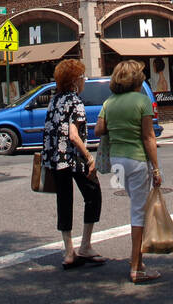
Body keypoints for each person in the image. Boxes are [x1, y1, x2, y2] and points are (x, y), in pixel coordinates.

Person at [96, 60, 162, 284]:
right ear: (136, 79)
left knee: (136, 206)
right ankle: (136, 268)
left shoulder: (109, 102)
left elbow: (98, 129)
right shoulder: (142, 101)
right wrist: (156, 168)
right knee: (139, 213)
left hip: (117, 161)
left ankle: (139, 261)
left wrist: (116, 125)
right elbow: (148, 137)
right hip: (136, 160)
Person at [41, 59, 104, 269]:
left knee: (64, 201)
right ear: (75, 81)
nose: (84, 80)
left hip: (55, 160)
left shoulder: (54, 100)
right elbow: (74, 135)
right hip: (73, 158)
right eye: (82, 77)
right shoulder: (75, 101)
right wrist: (89, 157)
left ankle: (69, 252)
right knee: (93, 194)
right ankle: (85, 245)